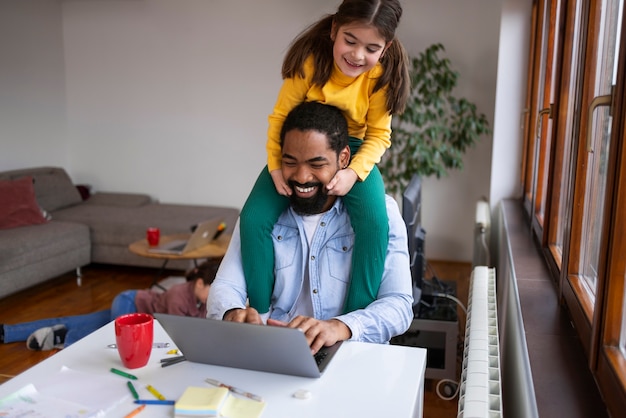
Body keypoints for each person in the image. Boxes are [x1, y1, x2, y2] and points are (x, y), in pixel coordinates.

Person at [239, 0, 411, 316]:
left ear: (385, 49)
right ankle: (260, 313)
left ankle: (354, 320)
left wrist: (354, 173)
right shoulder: (311, 62)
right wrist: (276, 165)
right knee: (253, 218)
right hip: (304, 147)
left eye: (371, 48)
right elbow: (280, 117)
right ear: (334, 30)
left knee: (374, 222)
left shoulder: (380, 77)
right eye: (350, 41)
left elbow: (379, 135)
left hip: (355, 148)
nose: (358, 55)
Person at [208, 102, 413, 354]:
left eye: (317, 164)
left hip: (349, 353)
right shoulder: (260, 216)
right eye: (290, 162)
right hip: (272, 351)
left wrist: (340, 326)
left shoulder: (382, 214)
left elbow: (399, 305)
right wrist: (232, 313)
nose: (302, 177)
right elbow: (226, 286)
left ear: (344, 158)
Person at [0, 260, 219, 351]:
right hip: (129, 304)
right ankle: (63, 338)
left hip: (140, 315)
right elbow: (175, 335)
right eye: (214, 288)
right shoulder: (178, 297)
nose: (217, 295)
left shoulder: (202, 301)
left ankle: (6, 332)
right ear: (200, 283)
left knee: (71, 321)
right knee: (115, 337)